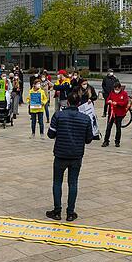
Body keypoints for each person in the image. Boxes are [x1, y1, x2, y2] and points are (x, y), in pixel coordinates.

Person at [46, 91, 93, 222]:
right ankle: (70, 212)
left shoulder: (58, 115)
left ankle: (57, 211)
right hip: (76, 155)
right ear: (79, 103)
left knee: (57, 182)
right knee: (73, 183)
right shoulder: (85, 118)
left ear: (67, 102)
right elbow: (89, 139)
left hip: (60, 154)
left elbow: (51, 134)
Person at [102, 82, 129, 148]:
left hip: (119, 113)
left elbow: (125, 102)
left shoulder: (124, 93)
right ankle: (106, 141)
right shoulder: (112, 93)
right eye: (115, 89)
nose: (116, 90)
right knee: (108, 127)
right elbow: (107, 99)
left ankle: (117, 141)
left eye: (118, 89)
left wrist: (117, 103)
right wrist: (109, 101)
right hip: (111, 113)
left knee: (118, 128)